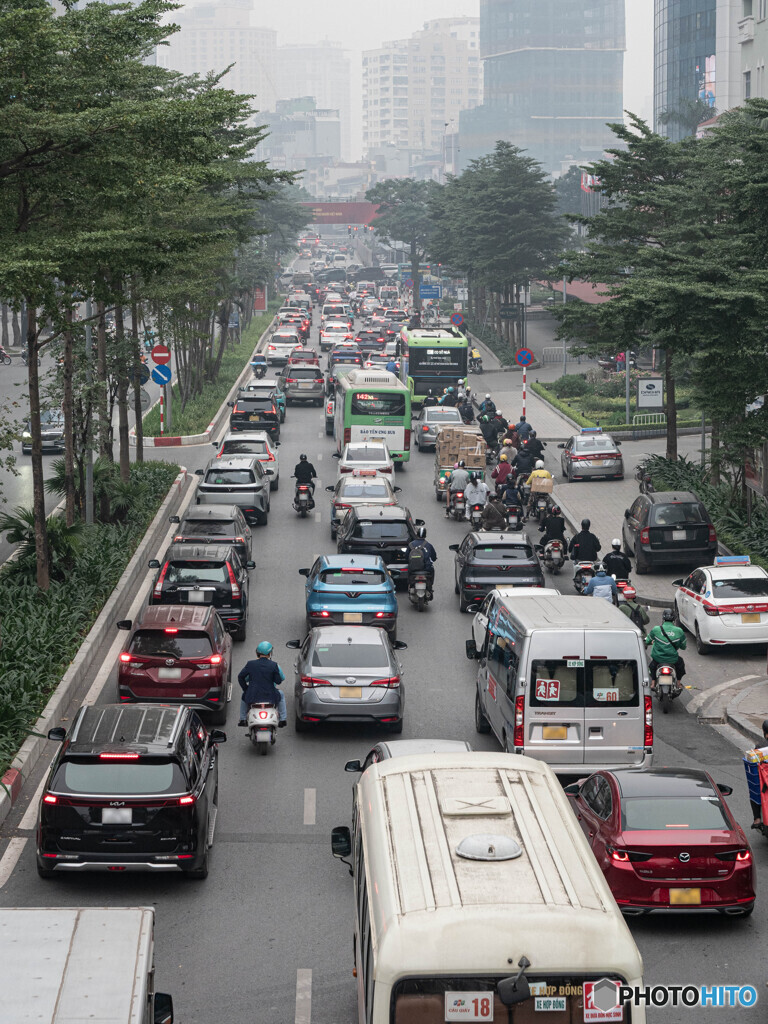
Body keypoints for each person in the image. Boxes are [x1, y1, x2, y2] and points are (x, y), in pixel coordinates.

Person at [237, 641, 287, 727]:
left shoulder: (250, 664)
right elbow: (278, 681)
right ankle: (283, 720)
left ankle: (243, 719)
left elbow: (240, 676)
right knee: (281, 694)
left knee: (243, 695)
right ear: (269, 653)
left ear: (257, 652)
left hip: (252, 695)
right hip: (271, 696)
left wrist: (246, 689)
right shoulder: (273, 665)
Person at [644, 609, 687, 689]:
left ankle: (653, 683)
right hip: (673, 659)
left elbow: (647, 641)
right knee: (680, 664)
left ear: (663, 619)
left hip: (658, 659)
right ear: (674, 619)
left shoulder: (656, 629)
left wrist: (651, 641)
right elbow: (683, 647)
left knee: (652, 666)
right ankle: (678, 683)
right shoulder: (679, 631)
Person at [407, 526, 437, 594]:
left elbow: (406, 557)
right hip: (426, 569)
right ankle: (430, 588)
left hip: (413, 569)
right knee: (432, 570)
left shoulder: (411, 545)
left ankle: (411, 586)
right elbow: (434, 557)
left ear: (417, 534)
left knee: (408, 570)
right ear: (425, 535)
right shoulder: (429, 545)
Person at [750, 720, 768, 828]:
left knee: (754, 791)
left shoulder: (760, 747)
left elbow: (753, 762)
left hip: (765, 782)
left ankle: (757, 819)